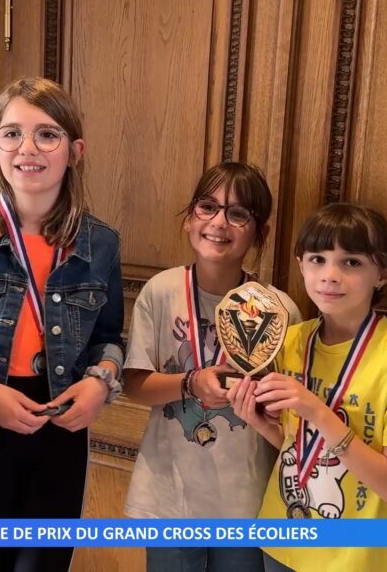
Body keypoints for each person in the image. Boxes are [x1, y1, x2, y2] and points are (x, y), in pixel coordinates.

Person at [0, 77, 124, 572]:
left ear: (74, 150)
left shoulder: (100, 243)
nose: (28, 148)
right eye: (11, 133)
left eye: (47, 134)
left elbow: (109, 339)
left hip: (61, 424)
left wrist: (100, 384)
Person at [228, 202, 387, 572]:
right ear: (300, 264)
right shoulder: (291, 342)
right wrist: (256, 419)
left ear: (382, 273)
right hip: (283, 539)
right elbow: (297, 444)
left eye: (351, 262)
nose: (330, 275)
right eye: (317, 259)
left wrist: (318, 411)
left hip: (358, 558)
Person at [123, 162, 302, 572]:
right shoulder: (161, 291)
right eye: (208, 207)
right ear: (190, 219)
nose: (219, 222)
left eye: (238, 214)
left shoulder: (278, 309)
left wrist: (271, 409)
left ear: (261, 232)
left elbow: (293, 420)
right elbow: (134, 384)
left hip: (248, 501)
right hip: (169, 496)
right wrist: (191, 382)